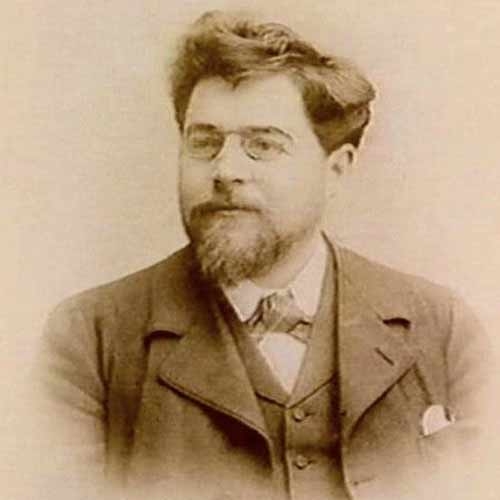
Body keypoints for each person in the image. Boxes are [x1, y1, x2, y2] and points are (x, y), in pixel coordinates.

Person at [36, 10, 493, 500]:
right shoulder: (89, 338)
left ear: (336, 169)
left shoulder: (441, 328)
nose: (225, 170)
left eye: (263, 145)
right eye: (204, 143)